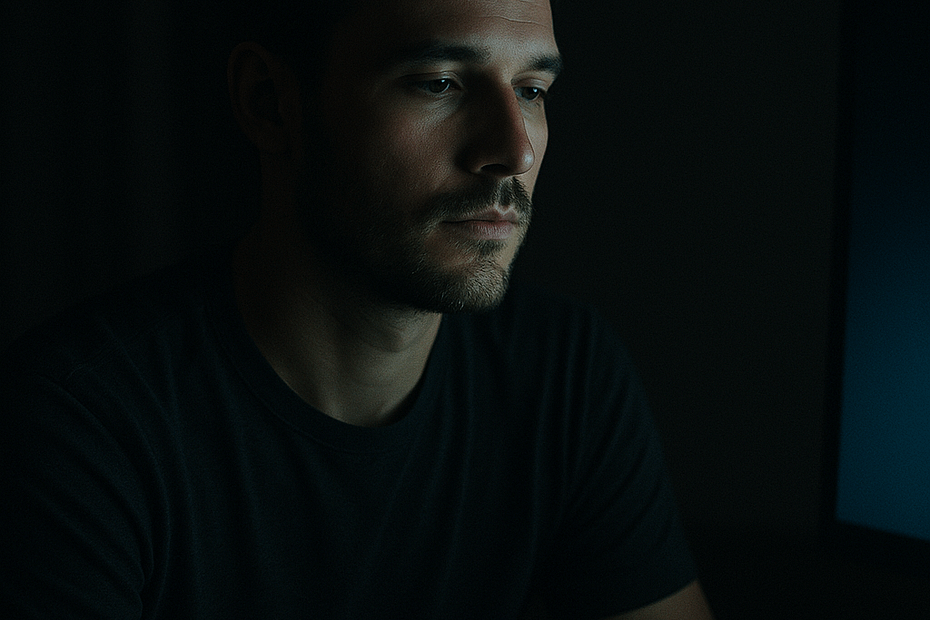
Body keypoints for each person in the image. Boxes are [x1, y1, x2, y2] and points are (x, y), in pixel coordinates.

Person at [1, 0, 715, 618]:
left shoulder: (564, 375)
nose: (513, 150)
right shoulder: (78, 425)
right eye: (439, 83)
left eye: (532, 89)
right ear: (270, 102)